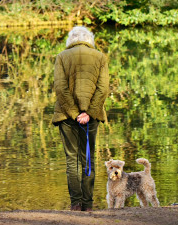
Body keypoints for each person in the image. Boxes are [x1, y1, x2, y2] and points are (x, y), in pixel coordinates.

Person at [52, 26, 109, 211]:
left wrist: (74, 113)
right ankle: (89, 205)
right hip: (90, 117)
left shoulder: (61, 56)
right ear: (89, 39)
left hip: (66, 116)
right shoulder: (100, 57)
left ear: (71, 40)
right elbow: (103, 89)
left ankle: (76, 204)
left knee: (72, 159)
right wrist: (88, 113)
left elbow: (60, 88)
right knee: (88, 158)